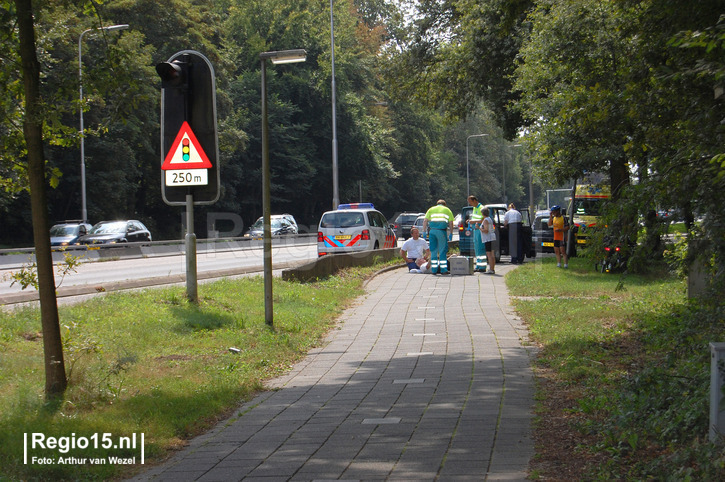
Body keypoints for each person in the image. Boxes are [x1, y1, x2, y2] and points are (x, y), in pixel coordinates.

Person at [423, 199, 454, 274]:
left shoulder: (431, 209)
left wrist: (424, 231)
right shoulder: (447, 210)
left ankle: (434, 270)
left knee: (433, 250)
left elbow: (425, 221)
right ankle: (443, 270)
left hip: (432, 231)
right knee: (442, 250)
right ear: (444, 204)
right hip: (441, 231)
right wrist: (451, 233)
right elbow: (451, 222)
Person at [467, 195, 487, 272]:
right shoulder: (475, 208)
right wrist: (470, 221)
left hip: (480, 230)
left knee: (480, 247)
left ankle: (482, 266)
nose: (470, 204)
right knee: (476, 248)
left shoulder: (481, 208)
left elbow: (484, 219)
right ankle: (478, 265)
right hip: (475, 229)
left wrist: (474, 221)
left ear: (475, 200)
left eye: (470, 202)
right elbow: (476, 218)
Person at [480, 207, 497, 274]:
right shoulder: (490, 219)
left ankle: (491, 269)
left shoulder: (485, 220)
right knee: (492, 255)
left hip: (488, 239)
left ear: (482, 213)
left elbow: (486, 230)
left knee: (489, 254)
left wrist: (479, 228)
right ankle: (492, 269)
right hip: (492, 238)